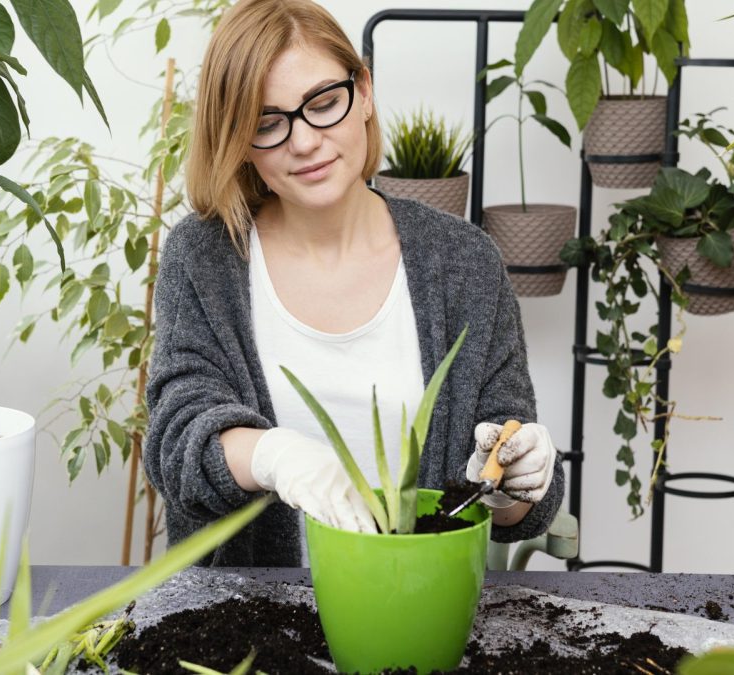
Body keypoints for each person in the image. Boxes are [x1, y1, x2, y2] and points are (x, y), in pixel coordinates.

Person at [144, 0, 564, 566]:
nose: (304, 141)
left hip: (422, 601)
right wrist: (272, 455)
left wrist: (516, 483)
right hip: (249, 612)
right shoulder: (205, 257)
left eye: (323, 103)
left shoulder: (464, 261)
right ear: (239, 140)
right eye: (267, 123)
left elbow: (514, 493)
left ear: (363, 91)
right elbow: (176, 443)